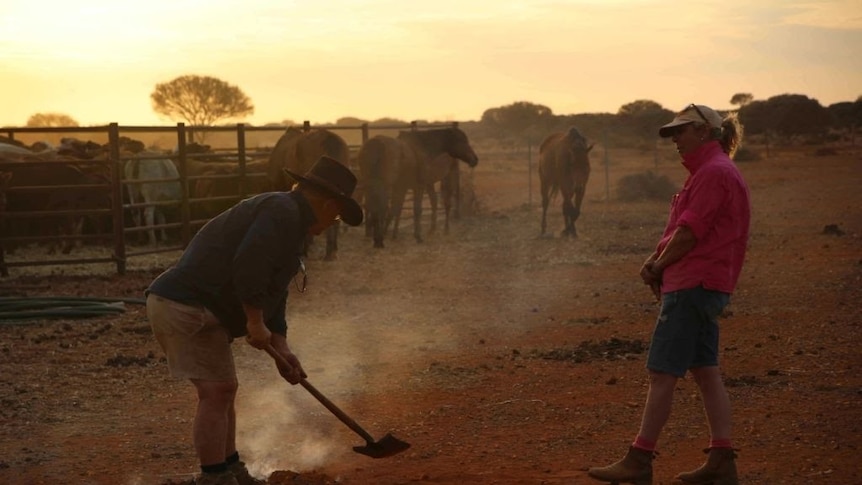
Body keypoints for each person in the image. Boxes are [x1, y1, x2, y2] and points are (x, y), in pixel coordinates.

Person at [146, 156, 363, 485]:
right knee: (216, 391)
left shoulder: (290, 221)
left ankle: (230, 470)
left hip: (201, 307)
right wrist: (253, 321)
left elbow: (275, 291)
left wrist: (281, 344)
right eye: (336, 214)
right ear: (328, 203)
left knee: (223, 390)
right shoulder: (281, 212)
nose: (334, 222)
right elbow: (250, 264)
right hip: (184, 305)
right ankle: (214, 478)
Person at [588, 104, 750, 485]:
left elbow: (690, 234)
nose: (676, 139)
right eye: (673, 133)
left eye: (682, 131)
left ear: (706, 132)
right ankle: (722, 459)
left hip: (692, 284)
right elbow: (682, 230)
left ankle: (640, 459)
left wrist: (658, 267)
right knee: (705, 371)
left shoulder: (712, 174)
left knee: (662, 372)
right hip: (705, 283)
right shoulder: (712, 172)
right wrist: (655, 259)